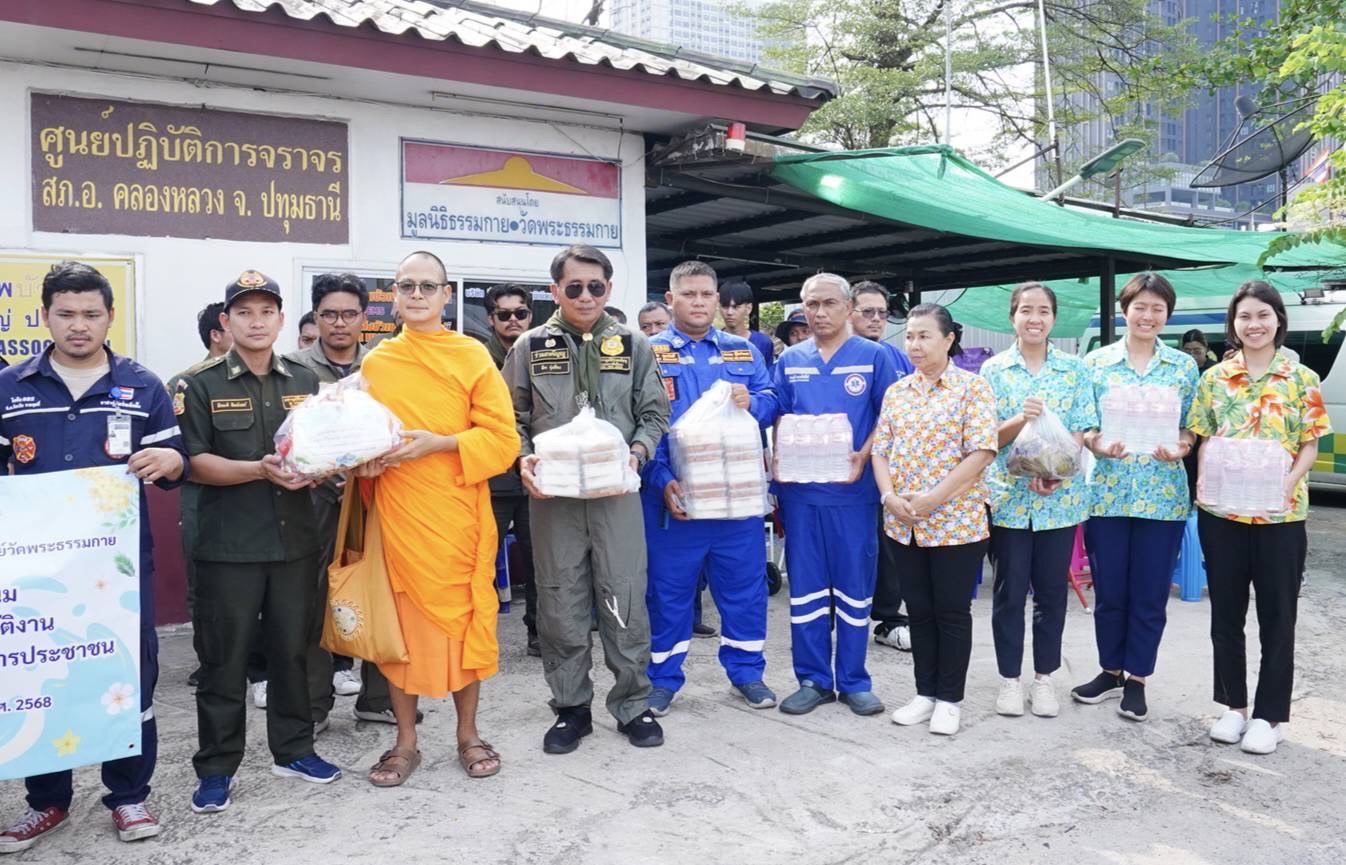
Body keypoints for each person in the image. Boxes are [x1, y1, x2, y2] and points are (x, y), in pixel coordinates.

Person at [0, 261, 187, 851]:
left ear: (109, 317)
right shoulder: (11, 386)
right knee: (41, 676)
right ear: (46, 316)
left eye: (91, 314)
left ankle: (129, 797)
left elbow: (176, 457)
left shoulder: (143, 386)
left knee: (128, 676)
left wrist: (170, 464)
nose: (78, 325)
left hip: (118, 569)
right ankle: (46, 802)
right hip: (36, 572)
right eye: (66, 314)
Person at [351, 251, 520, 786]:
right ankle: (405, 742)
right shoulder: (377, 363)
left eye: (428, 286)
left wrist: (439, 442)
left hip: (458, 511)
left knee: (464, 627)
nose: (418, 295)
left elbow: (503, 440)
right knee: (400, 632)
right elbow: (367, 440)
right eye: (407, 286)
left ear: (447, 296)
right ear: (394, 296)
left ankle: (468, 734)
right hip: (398, 512)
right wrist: (368, 460)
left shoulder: (472, 356)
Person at [178, 270, 340, 815]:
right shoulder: (197, 384)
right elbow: (194, 463)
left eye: (266, 311)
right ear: (225, 322)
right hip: (228, 549)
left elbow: (317, 449)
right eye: (244, 313)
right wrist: (259, 470)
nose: (256, 321)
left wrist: (317, 468)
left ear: (280, 318)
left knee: (293, 653)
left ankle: (293, 749)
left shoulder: (304, 377)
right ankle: (218, 767)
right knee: (224, 662)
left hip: (295, 542)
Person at [502, 244, 671, 753]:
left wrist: (637, 455)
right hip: (553, 497)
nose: (585, 296)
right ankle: (570, 709)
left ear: (609, 289)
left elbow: (655, 413)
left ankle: (633, 704)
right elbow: (508, 417)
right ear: (555, 291)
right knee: (559, 598)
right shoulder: (530, 346)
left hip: (615, 493)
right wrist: (523, 458)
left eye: (595, 287)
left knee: (623, 594)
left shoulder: (633, 344)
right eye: (573, 287)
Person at [1189, 281, 1330, 755]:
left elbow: (1310, 443)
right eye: (1245, 316)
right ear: (1234, 324)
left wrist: (1286, 484)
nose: (1254, 324)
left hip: (1281, 516)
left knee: (1277, 616)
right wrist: (1204, 484)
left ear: (1277, 321)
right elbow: (1204, 438)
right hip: (1223, 514)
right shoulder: (1214, 378)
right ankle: (1233, 707)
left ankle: (1271, 716)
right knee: (1226, 614)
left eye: (1263, 315)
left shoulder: (1302, 378)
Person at [642, 261, 779, 715]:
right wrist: (661, 481)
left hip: (736, 502)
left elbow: (772, 399)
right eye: (689, 295)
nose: (699, 303)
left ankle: (747, 674)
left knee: (744, 591)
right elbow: (638, 423)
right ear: (671, 299)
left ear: (718, 300)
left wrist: (753, 402)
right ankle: (662, 679)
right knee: (668, 594)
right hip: (673, 503)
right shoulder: (648, 352)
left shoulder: (743, 350)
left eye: (707, 295)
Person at [1073, 272, 1198, 722]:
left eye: (1157, 308)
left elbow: (1190, 425)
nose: (1148, 316)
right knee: (1110, 590)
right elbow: (1083, 424)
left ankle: (1138, 679)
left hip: (1162, 496)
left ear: (1167, 313)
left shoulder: (1183, 367)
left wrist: (1182, 445)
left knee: (1149, 592)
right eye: (1140, 307)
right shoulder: (1095, 364)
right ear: (1124, 311)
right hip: (1106, 493)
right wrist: (1096, 443)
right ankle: (1109, 671)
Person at [772, 273, 898, 716]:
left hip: (853, 497)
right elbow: (775, 411)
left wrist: (864, 455)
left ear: (848, 307)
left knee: (853, 590)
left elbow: (891, 418)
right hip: (802, 498)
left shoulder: (873, 357)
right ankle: (813, 680)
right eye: (810, 305)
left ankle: (854, 680)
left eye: (828, 303)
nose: (819, 313)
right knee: (805, 592)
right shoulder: (790, 360)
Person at [872, 304, 997, 735]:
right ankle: (924, 694)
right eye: (909, 336)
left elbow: (981, 452)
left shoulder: (972, 389)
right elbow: (880, 451)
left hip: (956, 522)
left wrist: (932, 500)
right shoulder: (897, 391)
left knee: (951, 611)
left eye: (925, 336)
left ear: (948, 340)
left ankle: (949, 699)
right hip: (903, 522)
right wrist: (889, 496)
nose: (915, 345)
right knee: (919, 611)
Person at [980, 283, 1097, 719]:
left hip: (1060, 501)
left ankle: (1044, 678)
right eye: (1026, 310)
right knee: (1009, 595)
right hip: (1009, 501)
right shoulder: (994, 371)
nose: (1035, 318)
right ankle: (1010, 680)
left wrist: (1056, 473)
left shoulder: (1074, 370)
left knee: (1051, 594)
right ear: (1012, 317)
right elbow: (985, 438)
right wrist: (1019, 419)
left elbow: (1083, 430)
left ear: (1053, 318)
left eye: (1043, 311)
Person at [284, 273, 394, 729]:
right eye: (329, 314)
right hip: (313, 505)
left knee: (381, 593)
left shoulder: (385, 367)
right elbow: (284, 438)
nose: (340, 323)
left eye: (350, 314)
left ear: (364, 317)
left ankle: (378, 698)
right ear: (316, 317)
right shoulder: (291, 368)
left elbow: (397, 428)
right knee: (313, 601)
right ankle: (314, 704)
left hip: (375, 500)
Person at [168, 302, 238, 690]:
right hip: (202, 499)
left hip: (252, 500)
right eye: (235, 321)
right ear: (217, 333)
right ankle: (210, 660)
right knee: (205, 584)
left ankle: (253, 663)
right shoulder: (185, 383)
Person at [850, 281, 916, 652]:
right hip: (840, 476)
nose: (876, 319)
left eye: (881, 312)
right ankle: (836, 617)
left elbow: (903, 415)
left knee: (888, 548)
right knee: (846, 550)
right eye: (867, 312)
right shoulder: (830, 356)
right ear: (849, 311)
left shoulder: (896, 356)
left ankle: (889, 619)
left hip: (886, 473)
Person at [483, 283, 539, 657]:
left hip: (536, 477)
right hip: (492, 480)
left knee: (541, 563)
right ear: (492, 319)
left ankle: (540, 632)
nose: (513, 320)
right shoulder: (475, 357)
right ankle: (478, 635)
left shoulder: (543, 351)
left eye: (520, 313)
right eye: (504, 314)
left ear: (530, 316)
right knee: (480, 563)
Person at [719, 279, 778, 370]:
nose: (729, 312)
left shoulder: (763, 342)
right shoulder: (711, 342)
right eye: (725, 306)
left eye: (736, 307)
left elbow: (767, 380)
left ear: (748, 308)